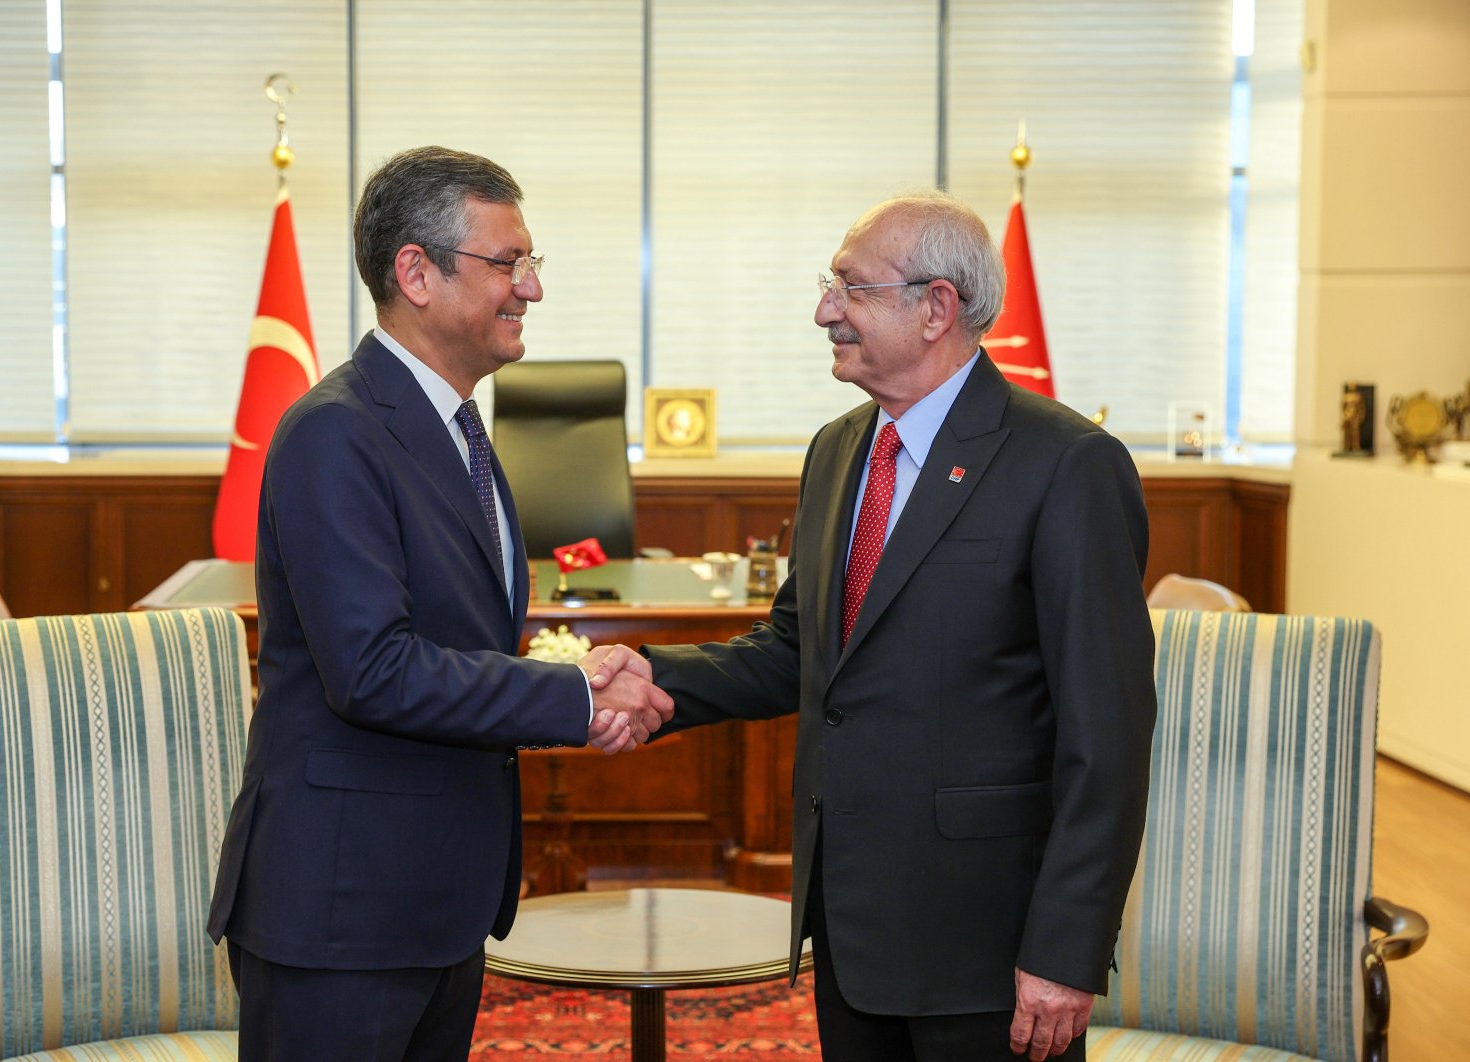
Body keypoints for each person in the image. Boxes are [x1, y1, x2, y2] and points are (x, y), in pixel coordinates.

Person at [597, 191, 1156, 1061]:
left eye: (851, 289)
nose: (825, 310)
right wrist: (656, 678)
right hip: (852, 927)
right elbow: (799, 651)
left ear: (936, 307)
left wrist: (1066, 948)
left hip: (988, 945)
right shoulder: (838, 450)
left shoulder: (1067, 466)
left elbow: (1108, 735)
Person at [208, 146, 672, 1061]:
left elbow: (460, 636)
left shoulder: (459, 428)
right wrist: (575, 697)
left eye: (531, 263)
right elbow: (373, 671)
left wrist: (582, 684)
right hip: (343, 910)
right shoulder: (335, 432)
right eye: (509, 263)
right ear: (415, 272)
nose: (530, 288)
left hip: (434, 899)